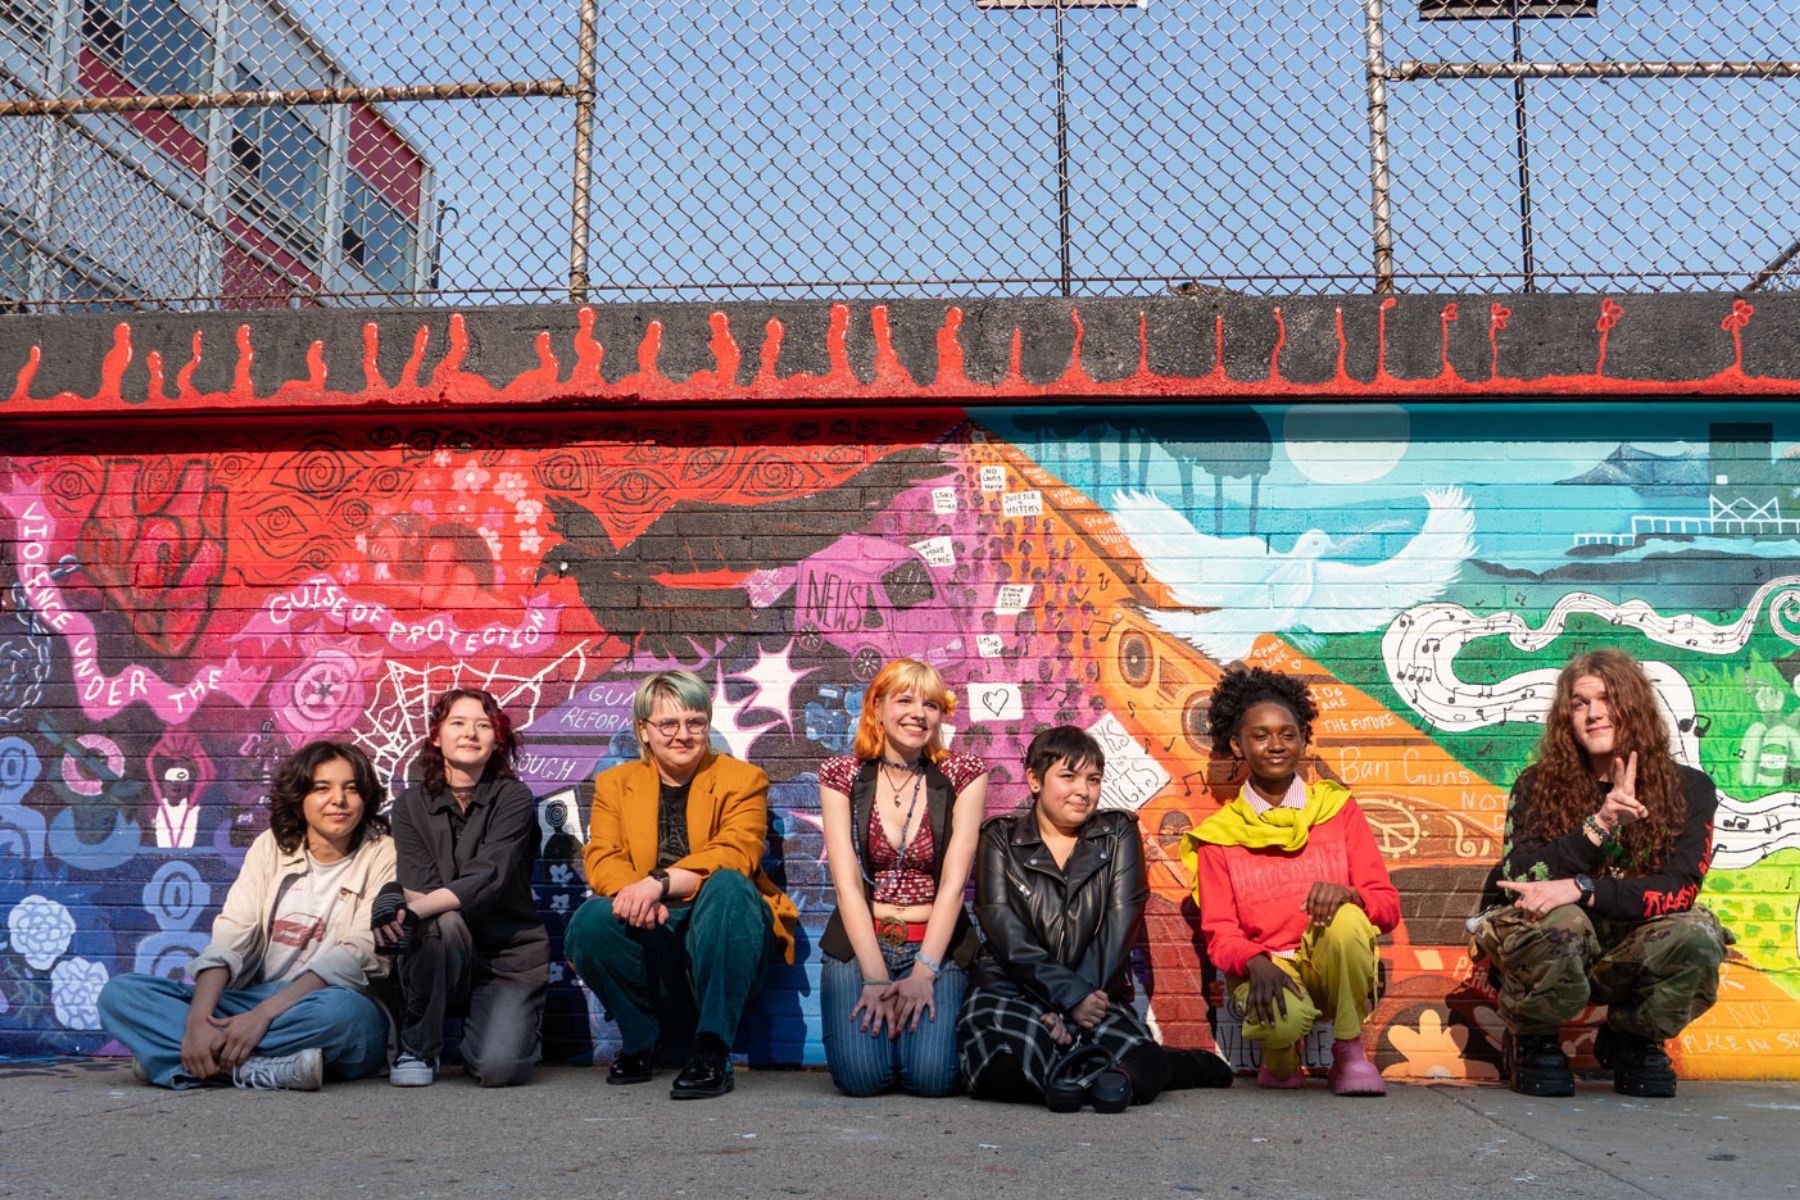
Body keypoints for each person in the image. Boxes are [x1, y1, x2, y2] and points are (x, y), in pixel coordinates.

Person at [1475, 648, 1729, 1098]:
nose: (1593, 714)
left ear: (1633, 707)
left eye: (1606, 699)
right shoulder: (1537, 784)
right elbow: (1519, 875)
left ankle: (1634, 1038)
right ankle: (1534, 1036)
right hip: (1549, 947)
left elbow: (1679, 889)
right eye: (1579, 703)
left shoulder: (1690, 789)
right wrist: (1599, 825)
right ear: (1566, 717)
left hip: (1625, 952)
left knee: (1697, 932)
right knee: (1562, 922)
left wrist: (1582, 887)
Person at [959, 725, 1232, 1111]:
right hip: (1011, 991)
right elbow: (1005, 931)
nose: (1083, 791)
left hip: (1096, 991)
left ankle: (1165, 1066)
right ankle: (1085, 1077)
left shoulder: (1117, 833)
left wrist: (1078, 1001)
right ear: (1035, 780)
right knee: (1000, 1069)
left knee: (1141, 1065)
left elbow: (1120, 925)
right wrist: (1061, 1000)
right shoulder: (999, 838)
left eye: (1093, 779)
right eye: (1068, 777)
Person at [97, 741, 394, 1090]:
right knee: (120, 995)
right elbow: (230, 935)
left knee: (347, 1016)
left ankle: (181, 1059)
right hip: (254, 999)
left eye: (352, 788)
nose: (339, 800)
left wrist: (262, 1018)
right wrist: (196, 1022)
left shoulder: (382, 852)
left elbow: (358, 954)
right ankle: (255, 1068)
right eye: (321, 788)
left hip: (323, 1002)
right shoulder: (271, 846)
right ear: (299, 796)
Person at [564, 669, 797, 1099]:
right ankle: (641, 1042)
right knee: (590, 922)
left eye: (695, 722)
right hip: (653, 928)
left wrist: (659, 883)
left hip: (725, 930)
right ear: (644, 731)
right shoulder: (617, 784)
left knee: (728, 886)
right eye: (667, 724)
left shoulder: (742, 780)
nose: (683, 734)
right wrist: (633, 895)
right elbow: (602, 857)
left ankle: (712, 1051)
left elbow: (736, 851)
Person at [1182, 665, 1399, 1095]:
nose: (1275, 745)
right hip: (1266, 976)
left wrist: (1350, 895)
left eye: (1287, 733)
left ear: (1303, 737)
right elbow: (1220, 934)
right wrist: (1255, 962)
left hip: (1330, 970)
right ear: (1237, 744)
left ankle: (1349, 1054)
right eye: (1260, 735)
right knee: (1281, 1022)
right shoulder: (1218, 836)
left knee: (1349, 920)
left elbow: (1386, 907)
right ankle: (1280, 1062)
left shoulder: (1338, 811)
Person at [817, 658, 988, 1097]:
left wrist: (924, 972)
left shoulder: (962, 774)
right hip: (861, 945)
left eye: (931, 704)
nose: (919, 713)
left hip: (936, 943)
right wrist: (875, 977)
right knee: (862, 1081)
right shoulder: (841, 775)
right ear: (876, 708)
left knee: (932, 1080)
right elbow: (847, 884)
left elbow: (953, 885)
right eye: (906, 700)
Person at [382, 688, 548, 1087]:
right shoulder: (409, 806)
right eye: (457, 722)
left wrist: (412, 911)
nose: (470, 733)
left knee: (499, 1069)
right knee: (447, 922)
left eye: (483, 724)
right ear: (437, 736)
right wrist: (411, 903)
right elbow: (419, 885)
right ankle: (418, 1047)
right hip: (441, 949)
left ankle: (518, 1027)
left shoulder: (514, 798)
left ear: (497, 740)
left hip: (507, 958)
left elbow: (487, 877)